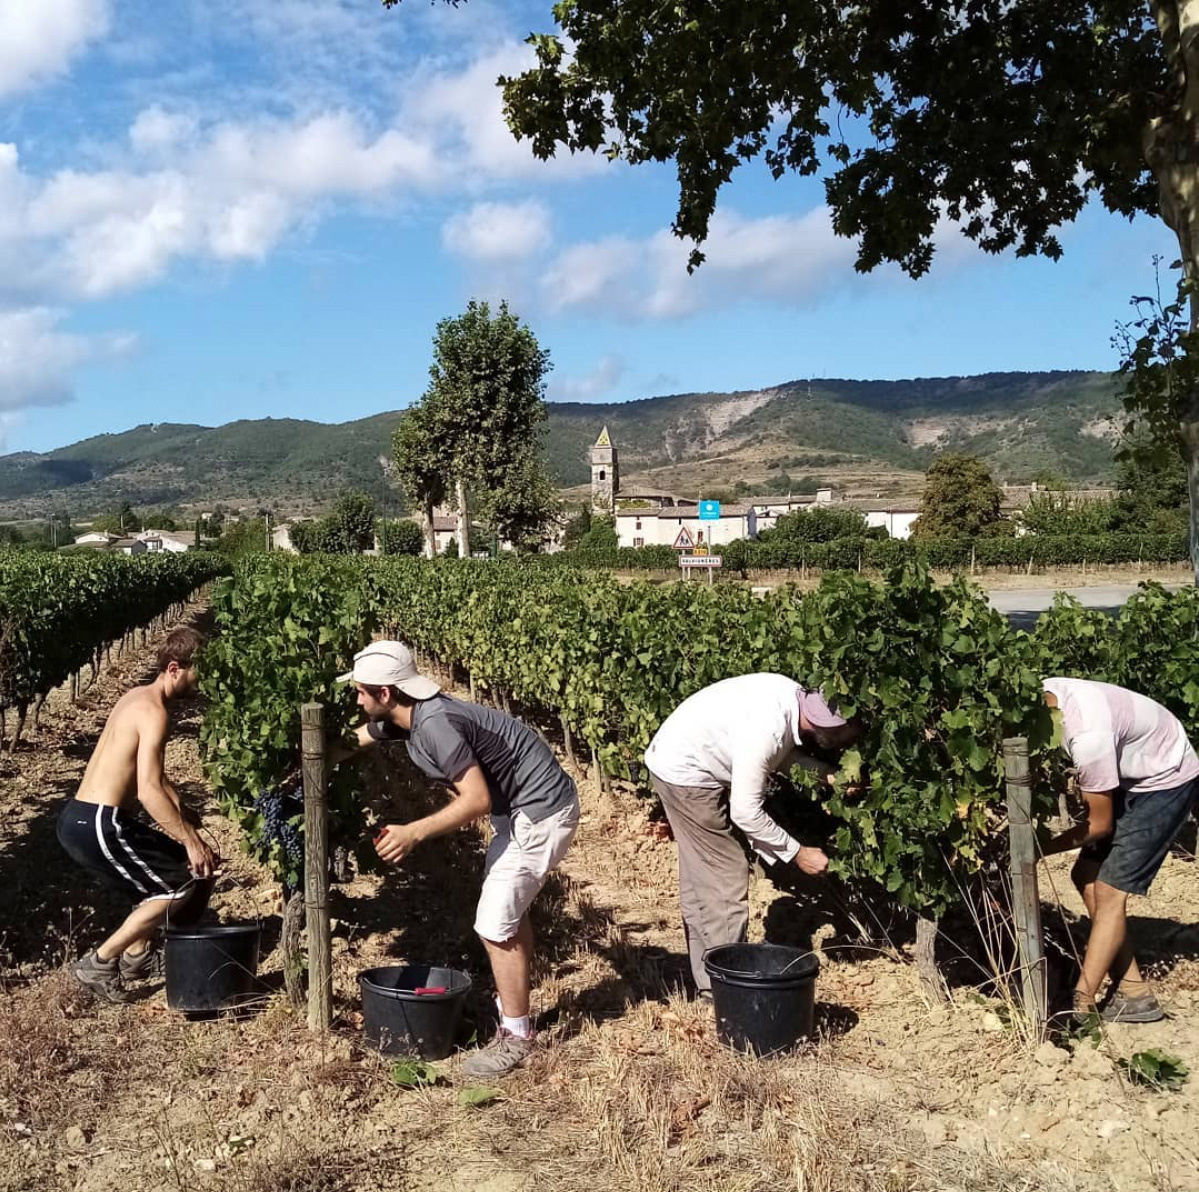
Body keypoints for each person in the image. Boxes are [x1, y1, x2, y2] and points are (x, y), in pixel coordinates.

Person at [338, 640, 580, 1078]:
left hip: (540, 811)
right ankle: (515, 1015)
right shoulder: (406, 717)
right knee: (506, 912)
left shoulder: (436, 726)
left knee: (493, 922)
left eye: (360, 691)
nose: (356, 699)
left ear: (386, 693)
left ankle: (517, 1038)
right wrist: (310, 758)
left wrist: (413, 832)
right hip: (520, 811)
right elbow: (361, 738)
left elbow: (477, 800)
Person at [644, 673, 862, 997]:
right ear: (826, 727)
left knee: (701, 877)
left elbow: (777, 756)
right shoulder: (769, 730)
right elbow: (745, 811)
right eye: (846, 733)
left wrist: (827, 776)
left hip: (671, 757)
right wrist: (797, 852)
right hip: (686, 775)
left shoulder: (789, 698)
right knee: (725, 877)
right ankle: (726, 991)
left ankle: (708, 979)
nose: (848, 742)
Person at [57, 626, 217, 1002]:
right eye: (198, 675)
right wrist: (191, 841)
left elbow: (155, 778)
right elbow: (147, 792)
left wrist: (186, 822)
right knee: (179, 885)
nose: (200, 685)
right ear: (175, 668)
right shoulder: (155, 712)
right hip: (97, 822)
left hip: (85, 818)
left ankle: (138, 956)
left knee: (172, 867)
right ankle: (99, 962)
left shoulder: (137, 696)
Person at [1041, 677, 1198, 1024]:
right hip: (1132, 775)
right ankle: (1134, 991)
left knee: (1109, 890)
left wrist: (1038, 848)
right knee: (1085, 875)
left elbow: (1100, 825)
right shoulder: (1043, 691)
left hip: (1167, 779)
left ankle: (1079, 1008)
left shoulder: (1087, 739)